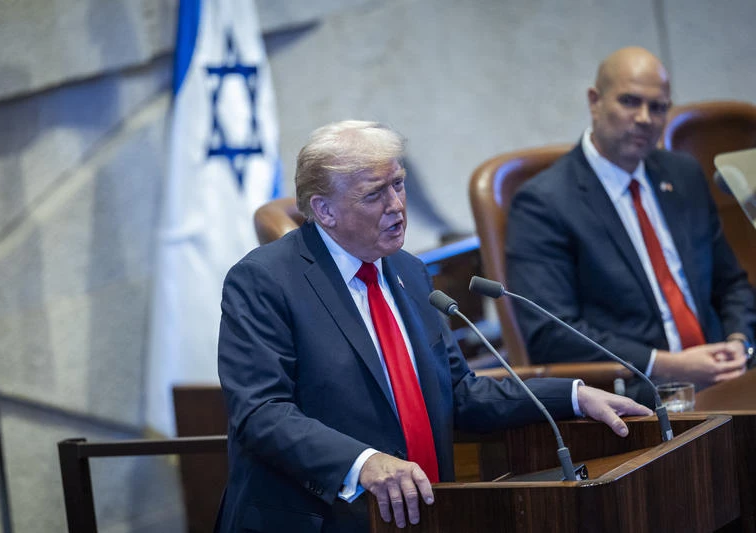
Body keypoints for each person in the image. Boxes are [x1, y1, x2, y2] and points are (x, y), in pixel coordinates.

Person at [216, 120, 651, 532]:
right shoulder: (264, 280)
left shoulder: (408, 270)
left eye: (399, 184)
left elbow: (458, 392)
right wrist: (362, 462)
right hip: (323, 518)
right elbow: (260, 413)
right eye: (374, 195)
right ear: (324, 210)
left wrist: (573, 395)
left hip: (425, 511)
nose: (397, 205)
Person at [506, 47, 755, 406]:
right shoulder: (544, 202)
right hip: (638, 398)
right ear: (595, 101)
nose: (644, 118)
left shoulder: (682, 175)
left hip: (724, 378)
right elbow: (551, 333)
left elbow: (730, 282)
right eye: (629, 102)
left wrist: (738, 341)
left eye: (658, 107)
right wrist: (667, 365)